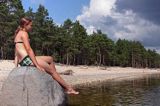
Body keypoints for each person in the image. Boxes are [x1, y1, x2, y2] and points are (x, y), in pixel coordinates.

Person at [14, 17, 79, 95]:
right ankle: (68, 88)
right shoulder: (24, 33)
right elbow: (29, 49)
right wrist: (37, 65)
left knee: (50, 59)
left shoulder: (18, 33)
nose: (32, 27)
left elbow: (17, 52)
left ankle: (55, 80)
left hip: (24, 60)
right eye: (31, 25)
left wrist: (16, 66)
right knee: (52, 71)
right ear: (25, 25)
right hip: (27, 60)